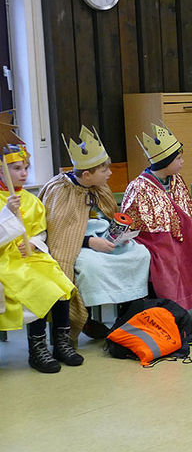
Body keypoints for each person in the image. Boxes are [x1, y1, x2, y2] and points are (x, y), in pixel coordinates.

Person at [39, 126, 150, 341]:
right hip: (79, 246)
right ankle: (84, 320)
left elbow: (110, 215)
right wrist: (90, 242)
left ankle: (127, 319)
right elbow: (58, 235)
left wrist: (119, 235)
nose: (110, 173)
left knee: (141, 255)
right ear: (87, 174)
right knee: (92, 266)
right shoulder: (60, 190)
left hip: (106, 241)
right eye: (104, 170)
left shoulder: (99, 186)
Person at [121, 124, 192, 321]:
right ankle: (173, 308)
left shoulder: (176, 179)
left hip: (187, 231)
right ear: (165, 162)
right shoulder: (139, 186)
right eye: (178, 158)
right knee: (169, 258)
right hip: (156, 238)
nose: (182, 162)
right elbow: (134, 222)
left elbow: (189, 210)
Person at [0, 128, 79, 373]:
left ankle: (61, 342)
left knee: (61, 284)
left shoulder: (32, 200)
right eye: (16, 169)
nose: (23, 174)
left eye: (26, 168)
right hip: (7, 260)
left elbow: (41, 231)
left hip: (31, 256)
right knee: (40, 287)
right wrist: (8, 214)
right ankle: (37, 348)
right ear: (2, 169)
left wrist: (34, 242)